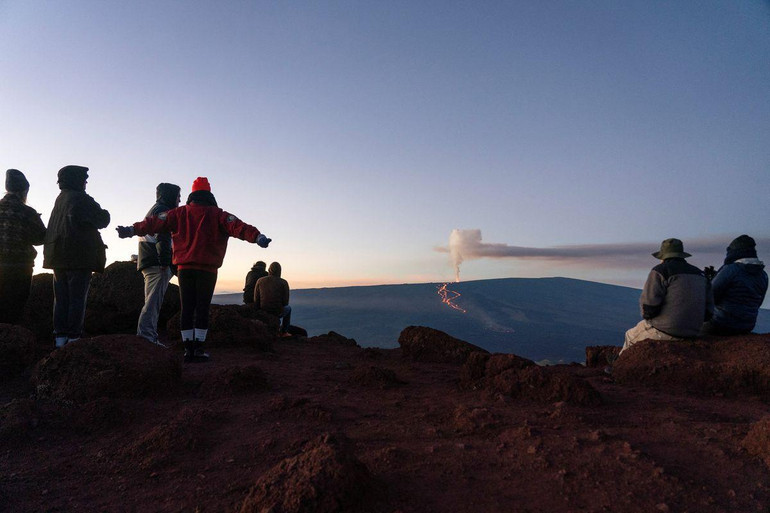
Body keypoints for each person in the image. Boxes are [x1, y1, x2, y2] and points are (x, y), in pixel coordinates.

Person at [117, 177, 271, 362]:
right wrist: (258, 237)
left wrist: (130, 230)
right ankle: (198, 349)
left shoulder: (179, 213)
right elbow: (238, 226)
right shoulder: (219, 215)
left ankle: (187, 350)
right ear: (209, 193)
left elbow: (153, 223)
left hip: (184, 269)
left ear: (193, 193)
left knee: (187, 308)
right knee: (202, 308)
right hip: (208, 269)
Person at [43, 165, 111, 348]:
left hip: (58, 257)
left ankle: (60, 339)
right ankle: (74, 340)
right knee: (77, 300)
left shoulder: (60, 199)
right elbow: (102, 219)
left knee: (61, 299)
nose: (86, 182)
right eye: (84, 179)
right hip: (79, 258)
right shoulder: (80, 198)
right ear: (77, 181)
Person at [620, 238, 713, 354]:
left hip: (667, 330)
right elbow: (709, 312)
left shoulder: (660, 271)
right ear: (682, 256)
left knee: (630, 335)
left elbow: (649, 306)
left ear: (663, 257)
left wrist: (653, 319)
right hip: (694, 331)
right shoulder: (700, 274)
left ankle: (616, 366)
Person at [135, 183, 181, 345]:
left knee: (151, 300)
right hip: (156, 262)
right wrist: (165, 261)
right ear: (170, 196)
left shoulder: (155, 209)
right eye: (177, 196)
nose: (180, 199)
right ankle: (147, 337)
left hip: (148, 259)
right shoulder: (163, 211)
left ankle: (147, 336)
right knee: (153, 302)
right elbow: (163, 236)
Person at [0, 169, 47, 324]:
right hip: (20, 267)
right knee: (15, 308)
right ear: (24, 190)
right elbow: (41, 238)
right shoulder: (27, 212)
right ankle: (11, 340)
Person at [701, 235, 768, 336]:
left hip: (721, 323)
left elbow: (711, 296)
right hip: (748, 325)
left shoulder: (731, 270)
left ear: (734, 252)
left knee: (694, 330)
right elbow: (759, 302)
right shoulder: (763, 275)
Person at [253, 261, 291, 336]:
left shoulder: (260, 280)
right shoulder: (284, 282)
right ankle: (284, 332)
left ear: (269, 270)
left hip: (263, 310)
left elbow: (256, 299)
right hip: (277, 311)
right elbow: (286, 302)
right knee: (288, 308)